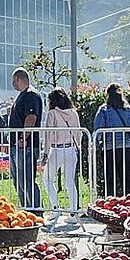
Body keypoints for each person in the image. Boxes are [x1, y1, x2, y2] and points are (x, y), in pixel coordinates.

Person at [93, 83, 130, 198]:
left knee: (110, 179)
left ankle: (110, 202)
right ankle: (129, 202)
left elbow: (98, 129)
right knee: (128, 179)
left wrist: (97, 144)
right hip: (127, 148)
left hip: (110, 148)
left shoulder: (104, 110)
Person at [39, 88, 82, 220]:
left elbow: (48, 135)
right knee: (70, 181)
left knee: (47, 179)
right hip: (71, 148)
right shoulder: (73, 113)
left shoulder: (52, 113)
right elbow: (78, 132)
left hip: (56, 149)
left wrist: (45, 154)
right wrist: (78, 147)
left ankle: (55, 208)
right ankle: (73, 212)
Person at [7, 70, 43, 211]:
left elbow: (31, 117)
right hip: (18, 145)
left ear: (19, 79)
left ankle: (36, 211)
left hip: (25, 146)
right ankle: (27, 209)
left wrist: (23, 137)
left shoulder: (30, 95)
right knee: (19, 180)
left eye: (13, 80)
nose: (12, 84)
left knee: (26, 180)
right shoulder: (24, 95)